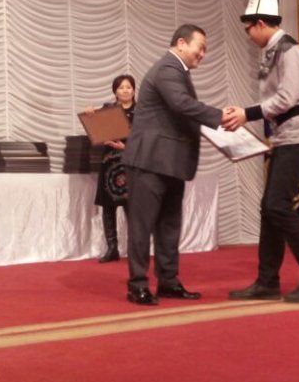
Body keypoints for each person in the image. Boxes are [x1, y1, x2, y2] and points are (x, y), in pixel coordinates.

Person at [224, 0, 299, 304]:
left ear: (260, 23)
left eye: (248, 28)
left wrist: (246, 114)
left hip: (298, 136)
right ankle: (267, 281)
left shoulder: (290, 51)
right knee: (269, 209)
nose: (248, 35)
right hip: (285, 136)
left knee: (276, 205)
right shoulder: (274, 50)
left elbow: (286, 98)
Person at [121, 24, 230, 306]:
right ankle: (137, 285)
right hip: (150, 161)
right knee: (142, 226)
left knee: (169, 226)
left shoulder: (178, 71)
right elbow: (181, 104)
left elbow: (180, 112)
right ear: (181, 43)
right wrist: (221, 116)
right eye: (200, 47)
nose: (202, 54)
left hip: (170, 163)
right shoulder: (168, 68)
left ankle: (168, 281)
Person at [88, 74, 136, 263]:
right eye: (121, 87)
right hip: (109, 163)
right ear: (115, 91)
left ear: (134, 90)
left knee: (132, 207)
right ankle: (112, 248)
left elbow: (146, 138)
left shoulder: (142, 111)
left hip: (130, 162)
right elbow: (95, 127)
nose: (125, 90)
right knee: (108, 206)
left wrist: (126, 146)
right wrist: (91, 114)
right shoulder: (108, 109)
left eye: (128, 87)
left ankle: (135, 249)